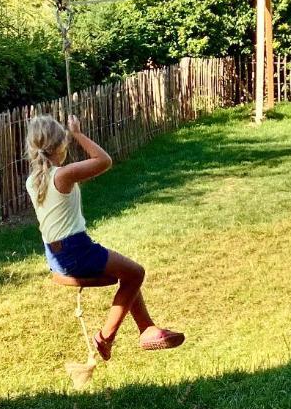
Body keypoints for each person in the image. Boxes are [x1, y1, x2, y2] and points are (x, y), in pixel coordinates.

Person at [25, 113, 184, 360]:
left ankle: (147, 329)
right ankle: (105, 338)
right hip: (76, 251)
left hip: (56, 255)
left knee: (127, 272)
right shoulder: (62, 175)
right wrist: (78, 133)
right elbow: (104, 160)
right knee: (136, 273)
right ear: (61, 145)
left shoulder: (33, 181)